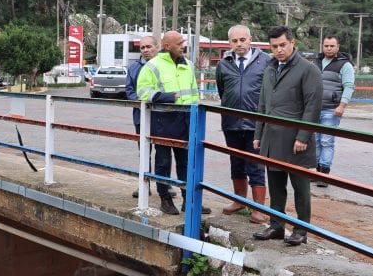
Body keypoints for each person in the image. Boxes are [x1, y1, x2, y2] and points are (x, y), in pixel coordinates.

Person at [252, 26, 323, 246]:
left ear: (293, 43)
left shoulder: (308, 69)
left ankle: (301, 230)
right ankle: (276, 226)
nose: (279, 50)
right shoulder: (270, 68)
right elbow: (263, 104)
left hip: (295, 140)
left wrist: (303, 137)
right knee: (275, 186)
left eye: (283, 45)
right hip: (272, 138)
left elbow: (312, 106)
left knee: (300, 187)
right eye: (274, 46)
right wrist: (258, 133)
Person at [136, 30, 211, 216]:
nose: (183, 46)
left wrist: (194, 117)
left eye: (183, 42)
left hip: (185, 120)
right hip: (163, 121)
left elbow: (194, 93)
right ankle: (165, 200)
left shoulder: (188, 65)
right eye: (179, 43)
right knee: (163, 162)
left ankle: (188, 200)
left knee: (186, 162)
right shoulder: (153, 65)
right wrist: (167, 97)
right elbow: (142, 92)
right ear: (167, 46)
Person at [215, 25, 271, 223]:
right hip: (231, 123)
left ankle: (258, 208)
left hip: (256, 124)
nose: (239, 44)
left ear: (250, 40)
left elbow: (270, 91)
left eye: (242, 40)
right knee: (236, 163)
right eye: (234, 41)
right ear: (229, 42)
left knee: (255, 165)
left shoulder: (266, 61)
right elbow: (222, 90)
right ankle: (239, 201)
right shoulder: (223, 64)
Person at [313, 35, 355, 187]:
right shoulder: (316, 62)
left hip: (331, 109)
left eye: (332, 46)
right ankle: (316, 171)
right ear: (322, 46)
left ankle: (324, 174)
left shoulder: (345, 65)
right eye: (326, 46)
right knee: (315, 141)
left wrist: (342, 106)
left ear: (338, 47)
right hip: (314, 108)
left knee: (326, 141)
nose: (329, 48)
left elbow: (349, 86)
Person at [126, 35, 159, 198]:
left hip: (161, 117)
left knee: (163, 153)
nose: (145, 50)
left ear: (157, 47)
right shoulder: (134, 68)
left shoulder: (164, 66)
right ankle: (144, 185)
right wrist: (142, 101)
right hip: (141, 116)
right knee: (144, 153)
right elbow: (129, 90)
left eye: (149, 47)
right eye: (142, 47)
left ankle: (164, 185)